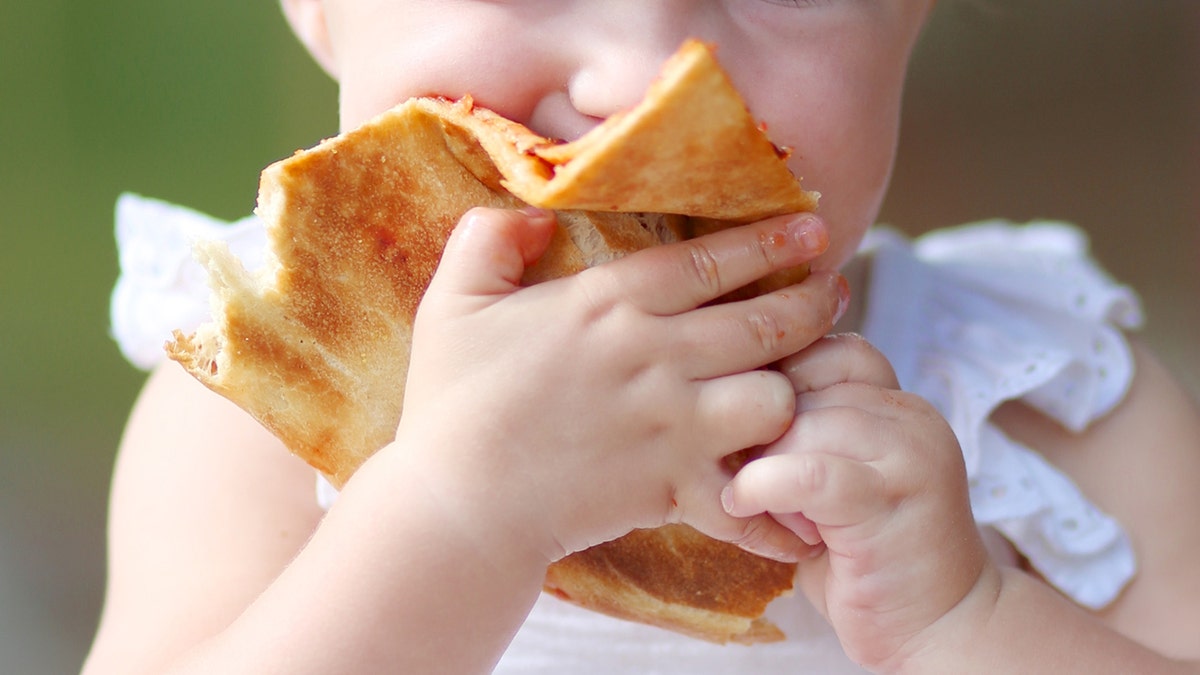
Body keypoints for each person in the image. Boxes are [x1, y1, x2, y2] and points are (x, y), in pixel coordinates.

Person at [83, 2, 1200, 673]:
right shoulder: (267, 400)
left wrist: (972, 622)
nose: (642, 76)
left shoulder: (1042, 400)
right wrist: (459, 514)